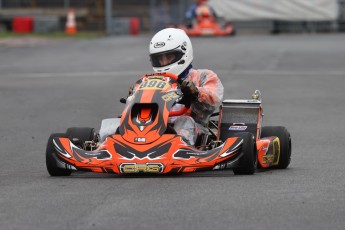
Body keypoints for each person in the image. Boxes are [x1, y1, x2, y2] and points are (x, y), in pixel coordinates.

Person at [130, 28, 224, 146]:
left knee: (185, 122)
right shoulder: (149, 81)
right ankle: (107, 148)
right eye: (160, 59)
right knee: (117, 124)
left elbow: (215, 97)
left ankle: (179, 149)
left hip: (194, 131)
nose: (164, 63)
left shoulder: (203, 76)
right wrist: (136, 95)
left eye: (169, 57)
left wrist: (196, 92)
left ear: (184, 53)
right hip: (155, 128)